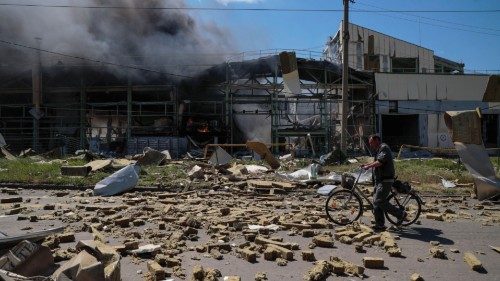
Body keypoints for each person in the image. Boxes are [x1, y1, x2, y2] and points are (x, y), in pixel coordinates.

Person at [361, 135, 406, 231]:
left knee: (379, 200)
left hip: (385, 180)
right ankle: (380, 225)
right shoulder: (378, 150)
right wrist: (366, 165)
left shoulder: (384, 148)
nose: (370, 145)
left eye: (371, 142)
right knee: (376, 203)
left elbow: (380, 162)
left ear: (377, 140)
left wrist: (368, 167)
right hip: (379, 180)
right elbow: (376, 161)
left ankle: (400, 214)